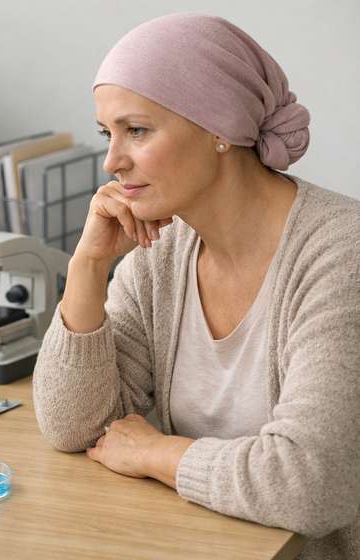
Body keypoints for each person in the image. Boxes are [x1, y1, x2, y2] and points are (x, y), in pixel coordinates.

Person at [32, 13, 360, 559]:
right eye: (107, 133)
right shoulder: (161, 251)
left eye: (137, 130)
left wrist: (157, 454)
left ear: (220, 130)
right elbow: (75, 426)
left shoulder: (342, 256)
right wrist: (88, 265)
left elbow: (310, 485)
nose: (112, 161)